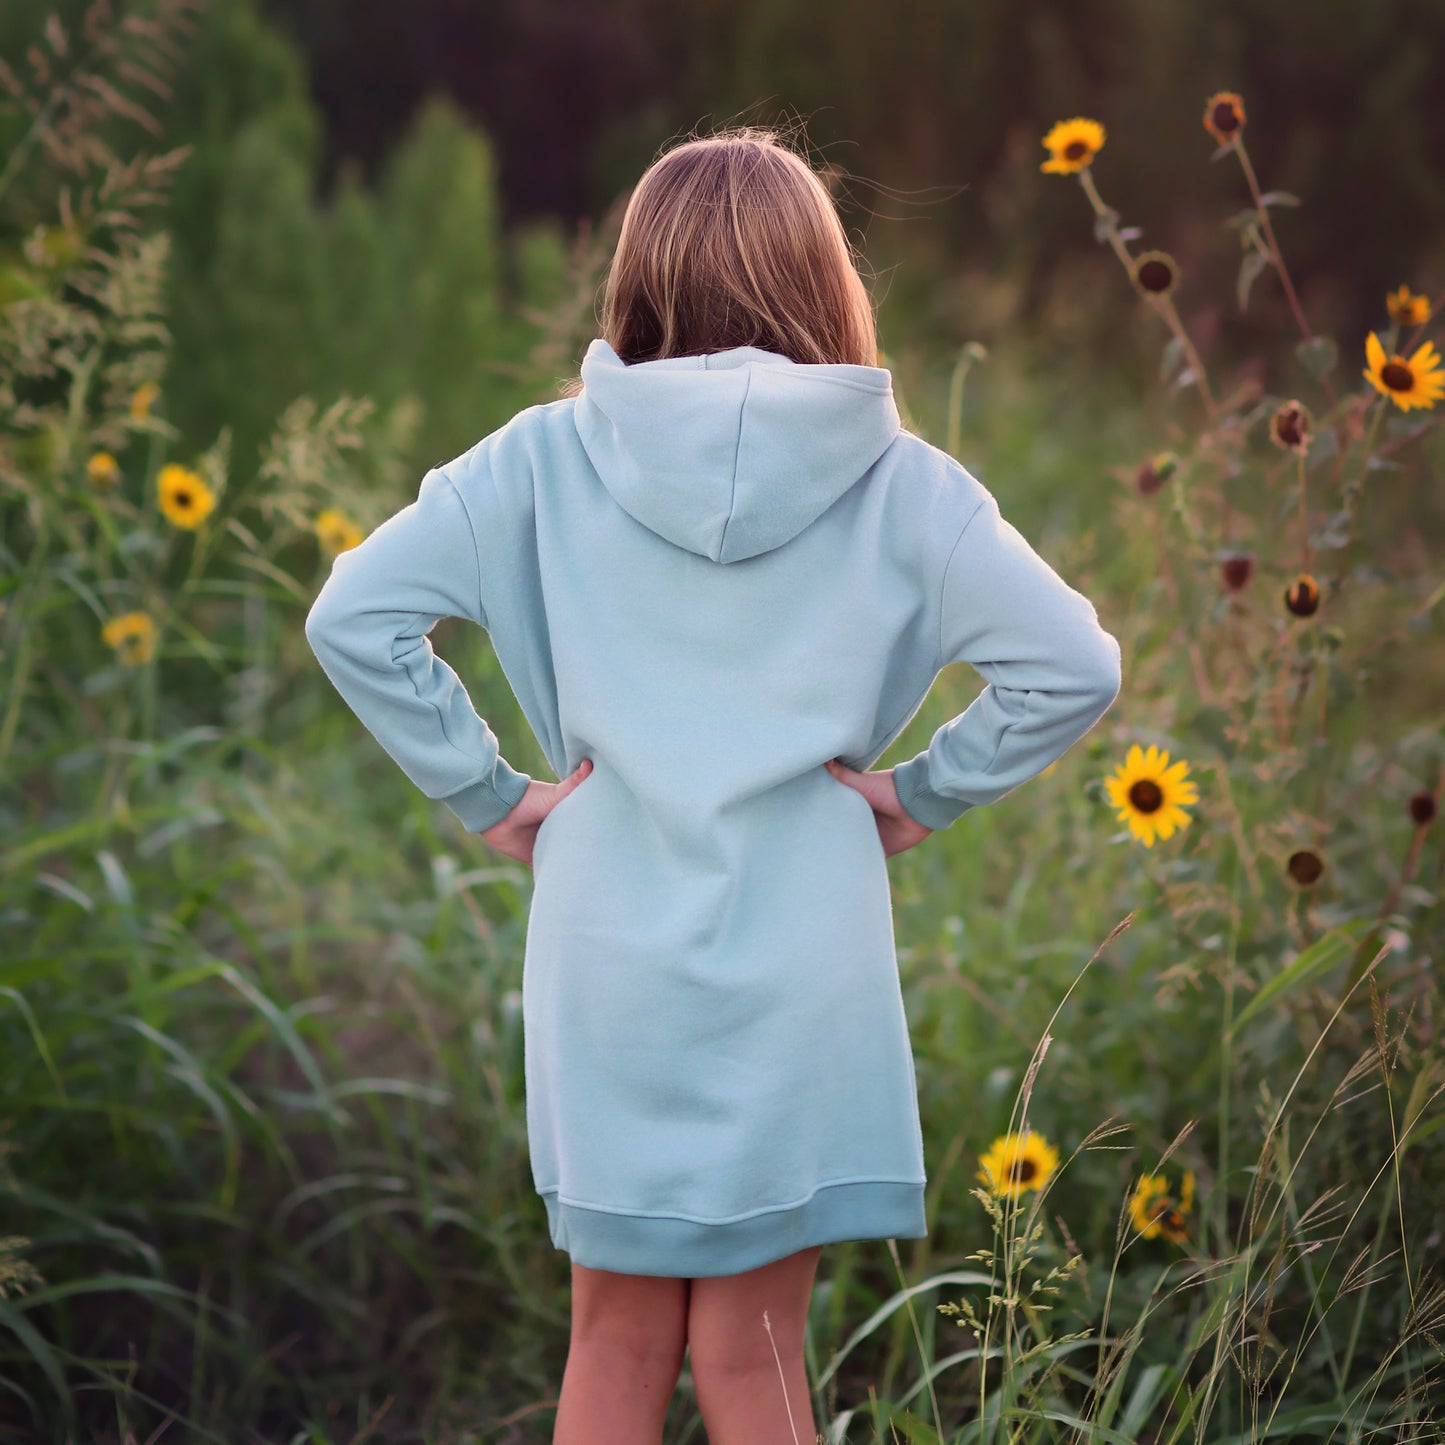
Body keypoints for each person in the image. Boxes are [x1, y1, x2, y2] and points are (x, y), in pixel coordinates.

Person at [304, 122, 1122, 1445]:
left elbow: (353, 616)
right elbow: (1072, 665)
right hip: (806, 959)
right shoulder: (905, 487)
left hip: (607, 954)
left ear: (636, 282)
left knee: (613, 1342)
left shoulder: (535, 460)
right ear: (826, 282)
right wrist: (919, 795)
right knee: (755, 1359)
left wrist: (492, 794)